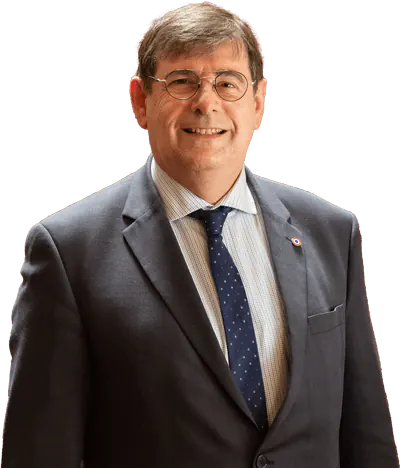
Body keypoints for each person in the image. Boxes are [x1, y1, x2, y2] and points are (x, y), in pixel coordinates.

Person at [2, 2, 398, 467]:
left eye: (228, 83)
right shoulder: (69, 253)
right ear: (140, 101)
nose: (206, 103)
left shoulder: (329, 231)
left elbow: (366, 435)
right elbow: (40, 453)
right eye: (182, 81)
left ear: (257, 102)